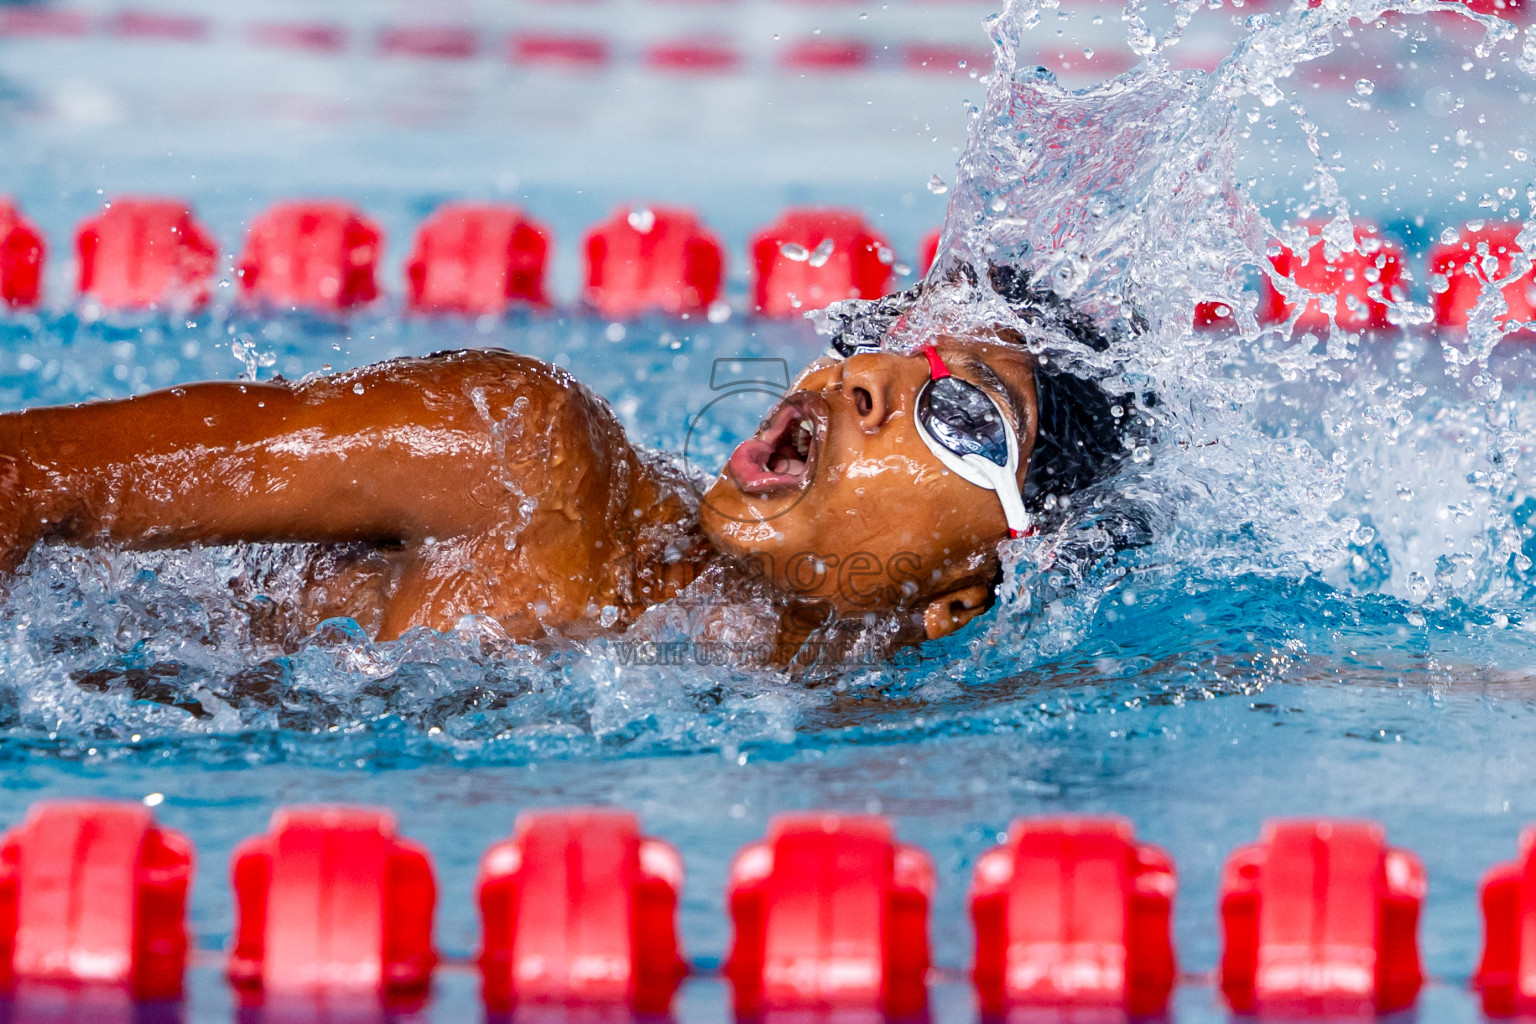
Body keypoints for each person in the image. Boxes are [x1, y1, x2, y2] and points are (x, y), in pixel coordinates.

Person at [0, 275, 1136, 661]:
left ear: (961, 597)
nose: (866, 380)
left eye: (964, 417)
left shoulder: (894, 758)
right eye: (885, 339)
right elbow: (23, 475)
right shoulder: (515, 457)